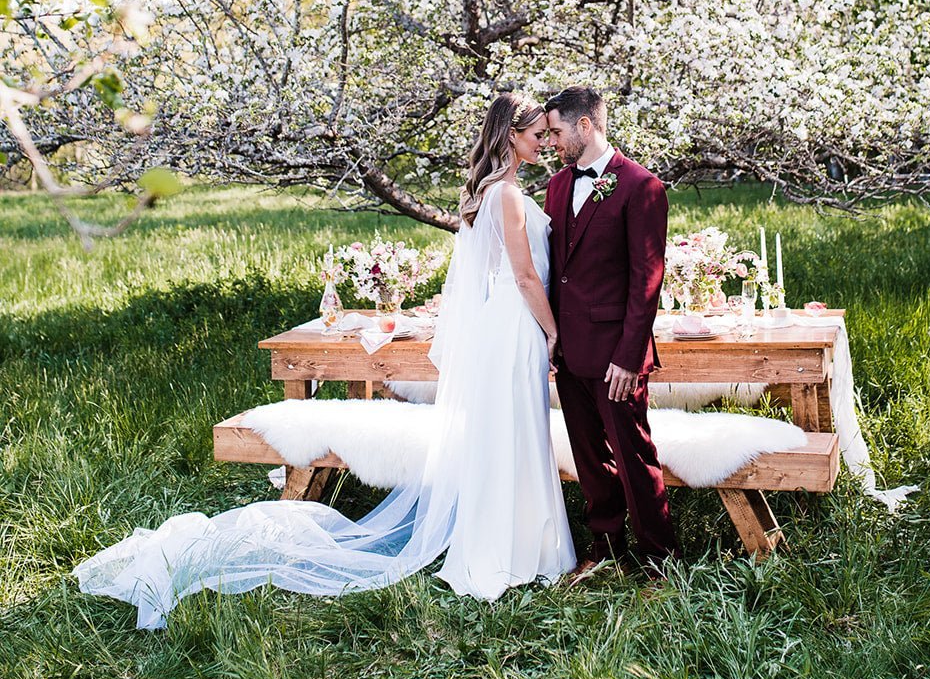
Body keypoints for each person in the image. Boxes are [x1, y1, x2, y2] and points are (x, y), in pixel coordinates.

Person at [75, 94, 575, 628]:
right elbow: (524, 277)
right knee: (514, 432)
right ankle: (514, 551)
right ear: (510, 135)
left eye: (548, 134)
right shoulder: (509, 196)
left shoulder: (487, 193)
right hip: (517, 325)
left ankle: (505, 542)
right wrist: (553, 332)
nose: (544, 142)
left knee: (505, 434)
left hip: (501, 326)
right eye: (536, 133)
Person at [544, 86, 678, 577]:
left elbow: (647, 281)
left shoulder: (642, 187)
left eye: (557, 131)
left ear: (585, 126)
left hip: (617, 356)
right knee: (588, 459)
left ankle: (660, 559)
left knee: (634, 454)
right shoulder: (557, 186)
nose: (552, 141)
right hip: (569, 350)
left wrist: (628, 355)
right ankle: (605, 548)